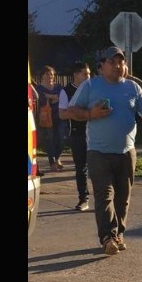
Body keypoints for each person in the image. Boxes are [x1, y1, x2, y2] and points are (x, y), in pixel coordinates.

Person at [68, 47, 142, 255]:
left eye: (120, 62)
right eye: (112, 62)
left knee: (123, 197)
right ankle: (107, 237)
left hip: (127, 152)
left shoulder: (132, 87)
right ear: (101, 66)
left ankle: (119, 233)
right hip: (98, 152)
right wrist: (90, 113)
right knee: (104, 195)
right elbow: (70, 111)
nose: (117, 65)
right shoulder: (90, 85)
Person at [58, 61, 92, 211]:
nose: (88, 76)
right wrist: (78, 113)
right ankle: (83, 199)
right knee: (81, 168)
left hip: (95, 133)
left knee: (99, 167)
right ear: (76, 74)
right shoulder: (66, 91)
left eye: (89, 74)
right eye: (85, 74)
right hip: (77, 134)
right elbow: (62, 114)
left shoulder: (93, 89)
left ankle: (103, 199)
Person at [34, 65, 65, 171]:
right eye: (47, 74)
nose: (50, 76)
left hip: (59, 115)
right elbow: (41, 99)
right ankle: (53, 162)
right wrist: (54, 98)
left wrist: (49, 96)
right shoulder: (38, 88)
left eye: (52, 74)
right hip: (47, 117)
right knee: (50, 139)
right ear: (42, 75)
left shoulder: (58, 87)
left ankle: (57, 158)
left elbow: (62, 98)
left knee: (61, 138)